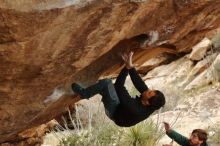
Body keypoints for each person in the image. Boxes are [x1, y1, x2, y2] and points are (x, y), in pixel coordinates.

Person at [71, 51, 165, 127]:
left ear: (147, 102)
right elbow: (140, 84)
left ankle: (84, 94)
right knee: (106, 89)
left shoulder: (135, 109)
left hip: (115, 112)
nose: (149, 90)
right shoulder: (152, 102)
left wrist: (125, 68)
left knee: (106, 83)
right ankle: (101, 91)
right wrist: (131, 67)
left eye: (149, 93)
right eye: (151, 90)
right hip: (123, 109)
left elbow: (118, 86)